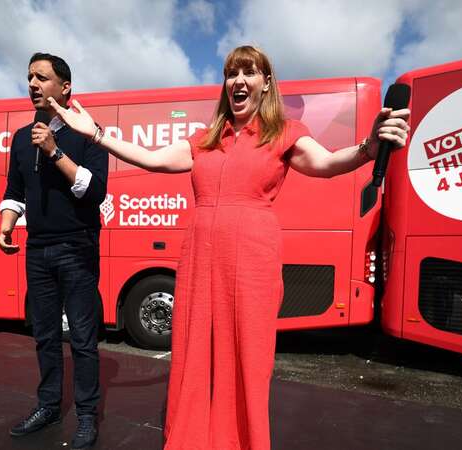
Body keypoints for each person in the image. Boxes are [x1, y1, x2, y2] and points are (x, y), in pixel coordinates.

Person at [49, 45, 409, 450]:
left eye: (249, 72)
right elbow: (150, 159)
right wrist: (95, 134)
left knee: (248, 356)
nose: (238, 80)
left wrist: (368, 148)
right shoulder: (206, 140)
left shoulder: (283, 134)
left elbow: (326, 163)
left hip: (253, 256)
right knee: (195, 350)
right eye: (231, 73)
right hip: (201, 256)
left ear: (265, 83)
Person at [0, 52, 108, 449]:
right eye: (29, 77)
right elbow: (15, 190)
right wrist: (6, 225)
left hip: (77, 248)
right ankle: (47, 406)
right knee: (44, 335)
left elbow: (95, 192)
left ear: (65, 87)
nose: (32, 84)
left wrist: (54, 151)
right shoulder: (21, 139)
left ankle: (86, 416)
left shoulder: (89, 132)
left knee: (81, 338)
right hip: (37, 250)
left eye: (41, 77)